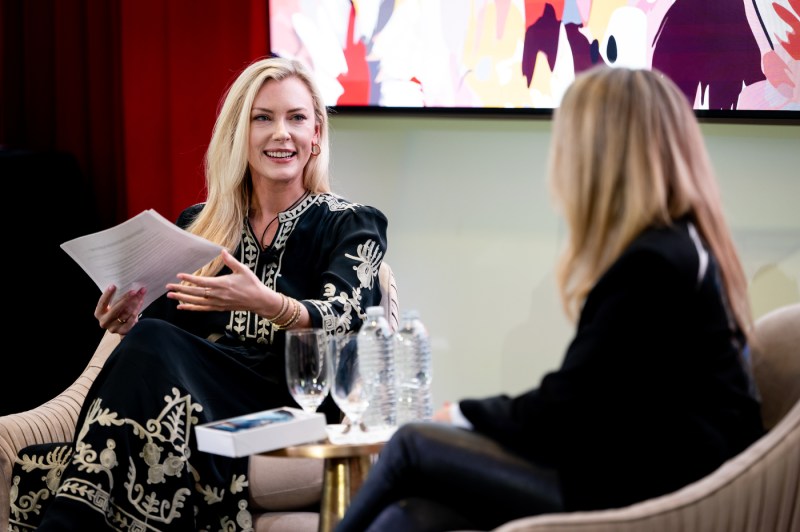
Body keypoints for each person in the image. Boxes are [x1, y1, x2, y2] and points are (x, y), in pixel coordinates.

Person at [336, 65, 766, 532]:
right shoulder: (681, 248)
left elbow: (568, 409)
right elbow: (600, 400)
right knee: (413, 518)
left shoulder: (653, 265)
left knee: (412, 443)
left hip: (651, 492)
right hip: (654, 475)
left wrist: (460, 413)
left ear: (601, 155)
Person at [34, 56, 388, 530]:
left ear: (316, 134)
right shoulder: (200, 225)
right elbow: (167, 331)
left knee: (155, 343)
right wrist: (127, 318)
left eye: (296, 118)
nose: (281, 133)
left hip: (294, 397)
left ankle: (70, 520)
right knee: (151, 337)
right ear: (240, 133)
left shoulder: (352, 222)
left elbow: (346, 313)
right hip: (204, 394)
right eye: (263, 118)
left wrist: (265, 301)